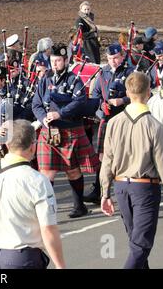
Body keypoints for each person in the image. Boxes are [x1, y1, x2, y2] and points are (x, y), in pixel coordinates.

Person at [100, 71, 163, 269]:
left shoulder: (114, 123)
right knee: (141, 245)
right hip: (144, 188)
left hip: (121, 186)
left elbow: (107, 161)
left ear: (128, 92)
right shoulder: (154, 126)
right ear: (148, 93)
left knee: (135, 240)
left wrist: (105, 192)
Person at [0, 119, 65, 269]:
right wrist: (60, 266)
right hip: (22, 257)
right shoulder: (38, 180)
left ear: (7, 145)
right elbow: (48, 229)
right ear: (33, 147)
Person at [32, 44, 100, 218]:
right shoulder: (45, 80)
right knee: (46, 172)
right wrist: (43, 118)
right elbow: (36, 104)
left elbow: (79, 102)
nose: (55, 64)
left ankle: (79, 206)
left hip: (70, 131)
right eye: (53, 61)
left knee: (73, 170)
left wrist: (59, 114)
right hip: (49, 132)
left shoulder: (73, 80)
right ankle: (46, 209)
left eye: (58, 61)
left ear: (66, 61)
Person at [83, 44, 134, 203]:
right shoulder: (102, 72)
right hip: (106, 119)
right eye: (110, 58)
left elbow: (138, 94)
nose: (113, 61)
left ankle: (128, 192)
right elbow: (96, 95)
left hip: (125, 119)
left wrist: (123, 100)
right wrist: (101, 106)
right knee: (103, 158)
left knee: (124, 157)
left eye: (116, 57)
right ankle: (99, 191)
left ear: (122, 56)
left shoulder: (130, 72)